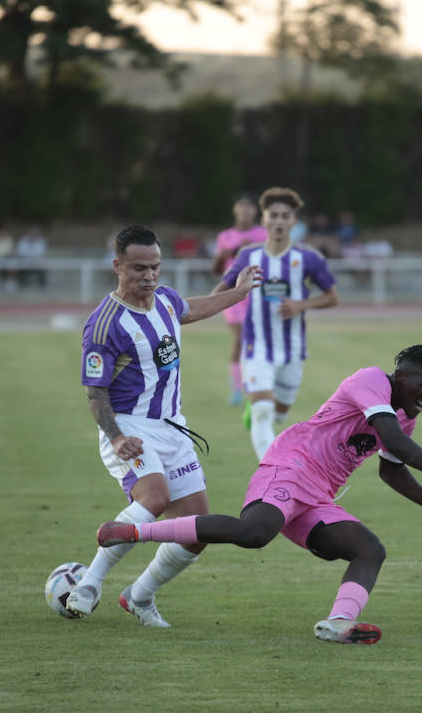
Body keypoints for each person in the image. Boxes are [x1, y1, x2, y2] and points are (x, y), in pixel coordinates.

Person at [94, 345, 422, 644]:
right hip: (290, 466)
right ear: (400, 377)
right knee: (255, 532)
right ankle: (130, 533)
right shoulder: (371, 380)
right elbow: (392, 438)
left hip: (319, 495)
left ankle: (339, 623)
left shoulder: (400, 418)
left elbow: (392, 471)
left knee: (368, 549)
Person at [64, 225, 263, 627]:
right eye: (139, 268)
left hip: (173, 428)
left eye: (155, 267)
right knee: (154, 497)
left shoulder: (165, 301)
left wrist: (238, 294)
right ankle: (89, 583)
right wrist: (117, 438)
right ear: (117, 265)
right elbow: (94, 394)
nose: (149, 276)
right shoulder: (104, 326)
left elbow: (192, 308)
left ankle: (139, 596)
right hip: (129, 427)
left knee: (196, 531)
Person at [215, 186, 339, 460]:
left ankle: (258, 408)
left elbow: (332, 297)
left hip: (292, 350)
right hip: (256, 346)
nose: (280, 221)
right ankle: (271, 473)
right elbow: (221, 289)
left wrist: (301, 305)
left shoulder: (308, 258)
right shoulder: (249, 255)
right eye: (274, 215)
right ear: (264, 220)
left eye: (286, 216)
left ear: (294, 223)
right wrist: (207, 305)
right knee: (262, 413)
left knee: (279, 414)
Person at [210, 194, 267, 406]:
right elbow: (216, 270)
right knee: (240, 338)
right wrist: (222, 255)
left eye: (249, 209)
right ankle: (237, 388)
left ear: (255, 212)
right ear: (235, 210)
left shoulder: (263, 234)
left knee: (257, 341)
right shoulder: (225, 236)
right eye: (241, 208)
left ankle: (255, 383)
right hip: (232, 293)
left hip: (257, 293)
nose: (245, 212)